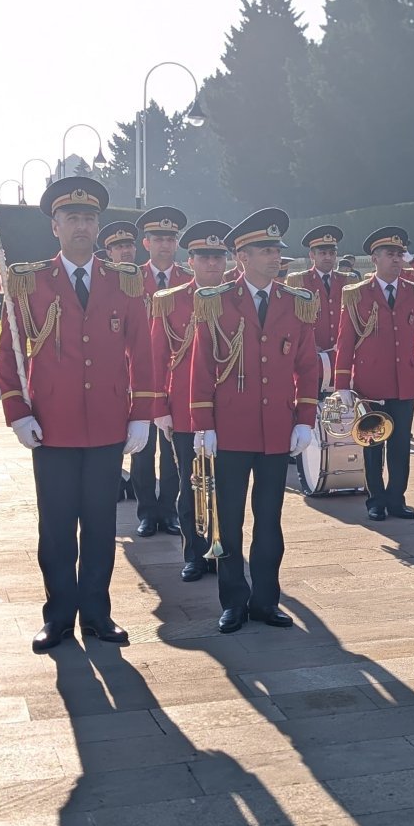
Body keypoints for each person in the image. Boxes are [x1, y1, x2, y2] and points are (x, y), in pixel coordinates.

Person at [0, 177, 155, 652]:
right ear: (56, 226)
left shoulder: (123, 281)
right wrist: (18, 411)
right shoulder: (29, 281)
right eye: (73, 218)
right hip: (53, 423)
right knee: (56, 525)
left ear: (98, 226)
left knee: (103, 524)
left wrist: (141, 413)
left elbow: (141, 349)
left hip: (108, 422)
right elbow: (10, 351)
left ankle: (98, 615)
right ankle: (59, 616)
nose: (82, 226)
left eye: (89, 218)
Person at [189, 208, 319, 633]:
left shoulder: (295, 303)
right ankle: (233, 600)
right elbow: (203, 365)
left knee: (270, 519)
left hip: (276, 431)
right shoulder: (216, 301)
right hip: (230, 429)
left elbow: (307, 364)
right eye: (265, 250)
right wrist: (202, 423)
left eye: (277, 249)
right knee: (228, 520)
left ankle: (266, 600)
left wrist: (305, 416)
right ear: (241, 257)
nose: (274, 257)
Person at [149, 219, 229, 582]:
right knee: (189, 485)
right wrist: (158, 408)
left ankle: (223, 549)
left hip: (231, 408)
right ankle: (194, 554)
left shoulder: (237, 297)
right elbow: (155, 357)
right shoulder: (171, 301)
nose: (213, 264)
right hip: (183, 408)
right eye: (205, 257)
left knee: (227, 485)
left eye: (219, 257)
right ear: (191, 260)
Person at [333, 226, 414, 520]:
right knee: (372, 443)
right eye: (390, 254)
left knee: (401, 445)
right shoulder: (357, 294)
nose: (396, 259)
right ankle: (375, 499)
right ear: (375, 258)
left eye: (400, 254)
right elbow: (345, 341)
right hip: (370, 382)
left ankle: (397, 497)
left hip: (405, 380)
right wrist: (342, 385)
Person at [128, 206, 191, 539]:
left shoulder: (187, 281)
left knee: (171, 454)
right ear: (146, 242)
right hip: (138, 377)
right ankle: (146, 513)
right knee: (142, 450)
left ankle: (168, 512)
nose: (165, 245)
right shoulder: (130, 279)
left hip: (175, 379)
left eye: (170, 238)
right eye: (158, 239)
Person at [285, 224, 349, 366]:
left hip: (342, 358)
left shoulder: (347, 281)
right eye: (322, 253)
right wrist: (308, 345)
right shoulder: (299, 281)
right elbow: (291, 322)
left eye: (332, 253)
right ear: (312, 255)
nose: (328, 257)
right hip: (311, 357)